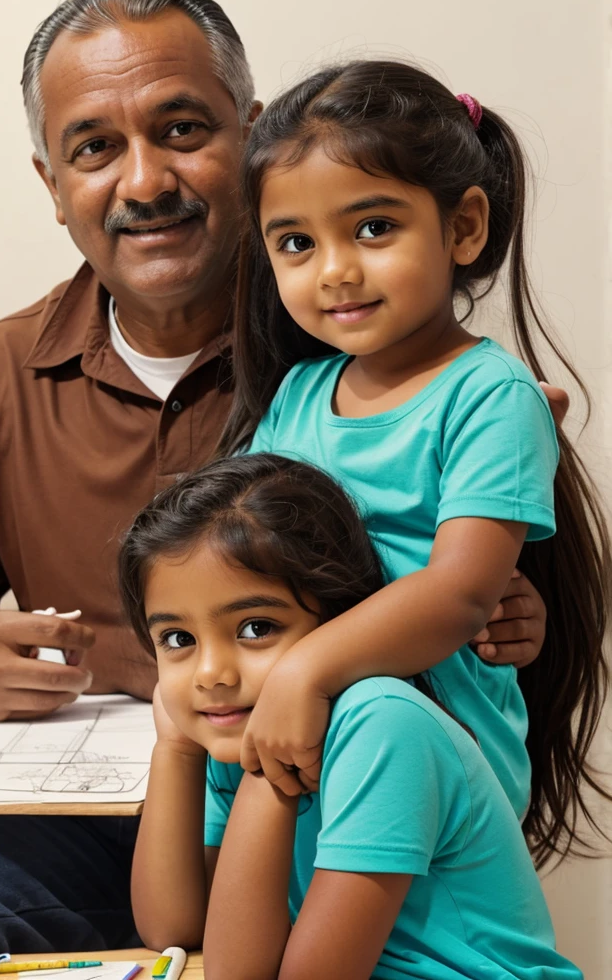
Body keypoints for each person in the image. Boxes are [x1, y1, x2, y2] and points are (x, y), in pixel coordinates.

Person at [0, 0, 562, 958]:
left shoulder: (355, 357)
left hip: (332, 769)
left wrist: (507, 596)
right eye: (94, 148)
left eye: (182, 128)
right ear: (51, 185)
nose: (143, 181)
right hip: (113, 803)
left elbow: (454, 576)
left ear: (253, 136)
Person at [219, 60, 611, 866]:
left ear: (464, 227)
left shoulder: (491, 395)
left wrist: (305, 670)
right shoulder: (297, 395)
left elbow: (460, 593)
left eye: (372, 228)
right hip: (308, 748)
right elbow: (234, 565)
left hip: (426, 768)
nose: (334, 269)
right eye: (296, 242)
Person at [120, 453, 583, 980]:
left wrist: (265, 767)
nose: (211, 673)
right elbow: (173, 929)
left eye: (256, 628)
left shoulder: (383, 727)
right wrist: (175, 750)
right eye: (178, 639)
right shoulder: (232, 731)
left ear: (340, 619)